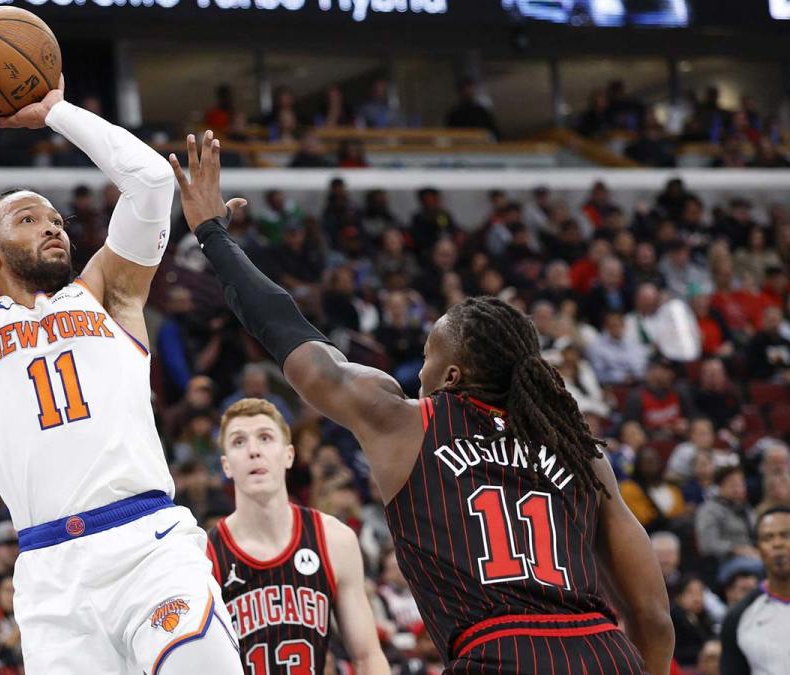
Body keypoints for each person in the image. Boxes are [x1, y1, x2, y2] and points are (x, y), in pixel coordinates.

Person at [170, 131, 674, 673]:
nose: (418, 373)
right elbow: (654, 618)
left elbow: (290, 333)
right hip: (603, 653)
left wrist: (211, 234)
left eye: (428, 356)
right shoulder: (581, 452)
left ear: (451, 374)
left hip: (496, 653)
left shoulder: (406, 423)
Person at [0, 16, 240, 673]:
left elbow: (153, 185)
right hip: (51, 575)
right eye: (27, 217)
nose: (52, 227)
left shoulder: (107, 293)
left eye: (55, 218)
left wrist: (56, 111)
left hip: (148, 544)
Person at [206, 398, 390, 674]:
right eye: (239, 442)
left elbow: (367, 656)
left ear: (289, 455)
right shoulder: (204, 554)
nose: (253, 451)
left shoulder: (334, 539)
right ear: (226, 465)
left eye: (265, 438)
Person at [720, 507, 790, 674]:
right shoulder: (738, 617)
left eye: (786, 535)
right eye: (767, 538)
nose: (777, 544)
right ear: (758, 549)